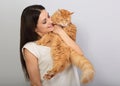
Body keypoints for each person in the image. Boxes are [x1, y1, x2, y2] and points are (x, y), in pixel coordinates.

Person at [20, 4, 84, 86]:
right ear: (34, 28)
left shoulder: (62, 37)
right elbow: (35, 83)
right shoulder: (31, 48)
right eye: (44, 21)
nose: (50, 21)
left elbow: (80, 54)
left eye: (49, 16)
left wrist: (61, 32)